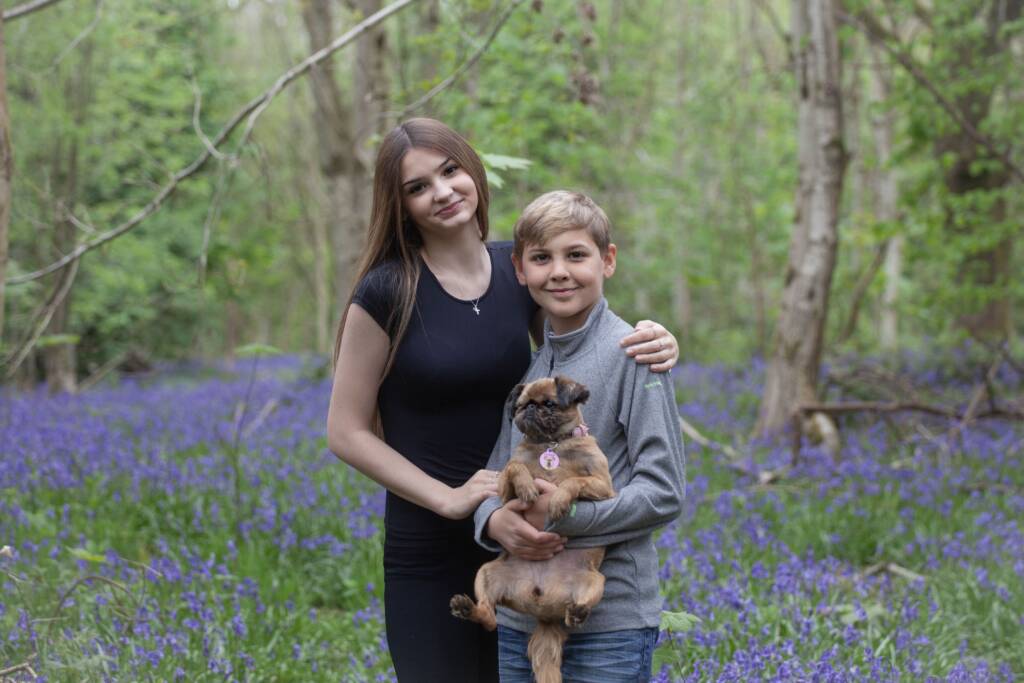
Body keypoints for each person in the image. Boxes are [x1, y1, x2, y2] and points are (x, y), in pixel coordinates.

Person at [326, 118, 679, 683]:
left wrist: (656, 339)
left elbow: (577, 345)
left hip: (540, 535)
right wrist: (451, 501)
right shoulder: (389, 290)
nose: (442, 191)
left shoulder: (518, 274)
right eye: (417, 187)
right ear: (400, 205)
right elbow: (345, 432)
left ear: (472, 170)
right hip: (438, 540)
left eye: (450, 170)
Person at [473, 190, 686, 682]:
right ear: (520, 270)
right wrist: (492, 522)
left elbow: (664, 492)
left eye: (575, 255)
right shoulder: (532, 371)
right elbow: (494, 473)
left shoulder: (637, 354)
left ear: (607, 260)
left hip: (609, 623)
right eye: (541, 259)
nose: (559, 272)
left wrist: (563, 516)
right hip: (519, 618)